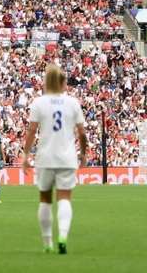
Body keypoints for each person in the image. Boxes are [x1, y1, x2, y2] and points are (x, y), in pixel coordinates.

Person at [22, 64, 87, 254]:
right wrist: (83, 154)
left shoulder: (39, 103)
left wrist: (26, 155)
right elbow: (82, 134)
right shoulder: (72, 103)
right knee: (64, 198)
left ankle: (47, 242)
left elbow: (32, 131)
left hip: (45, 158)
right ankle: (63, 236)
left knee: (44, 199)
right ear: (62, 82)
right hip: (67, 158)